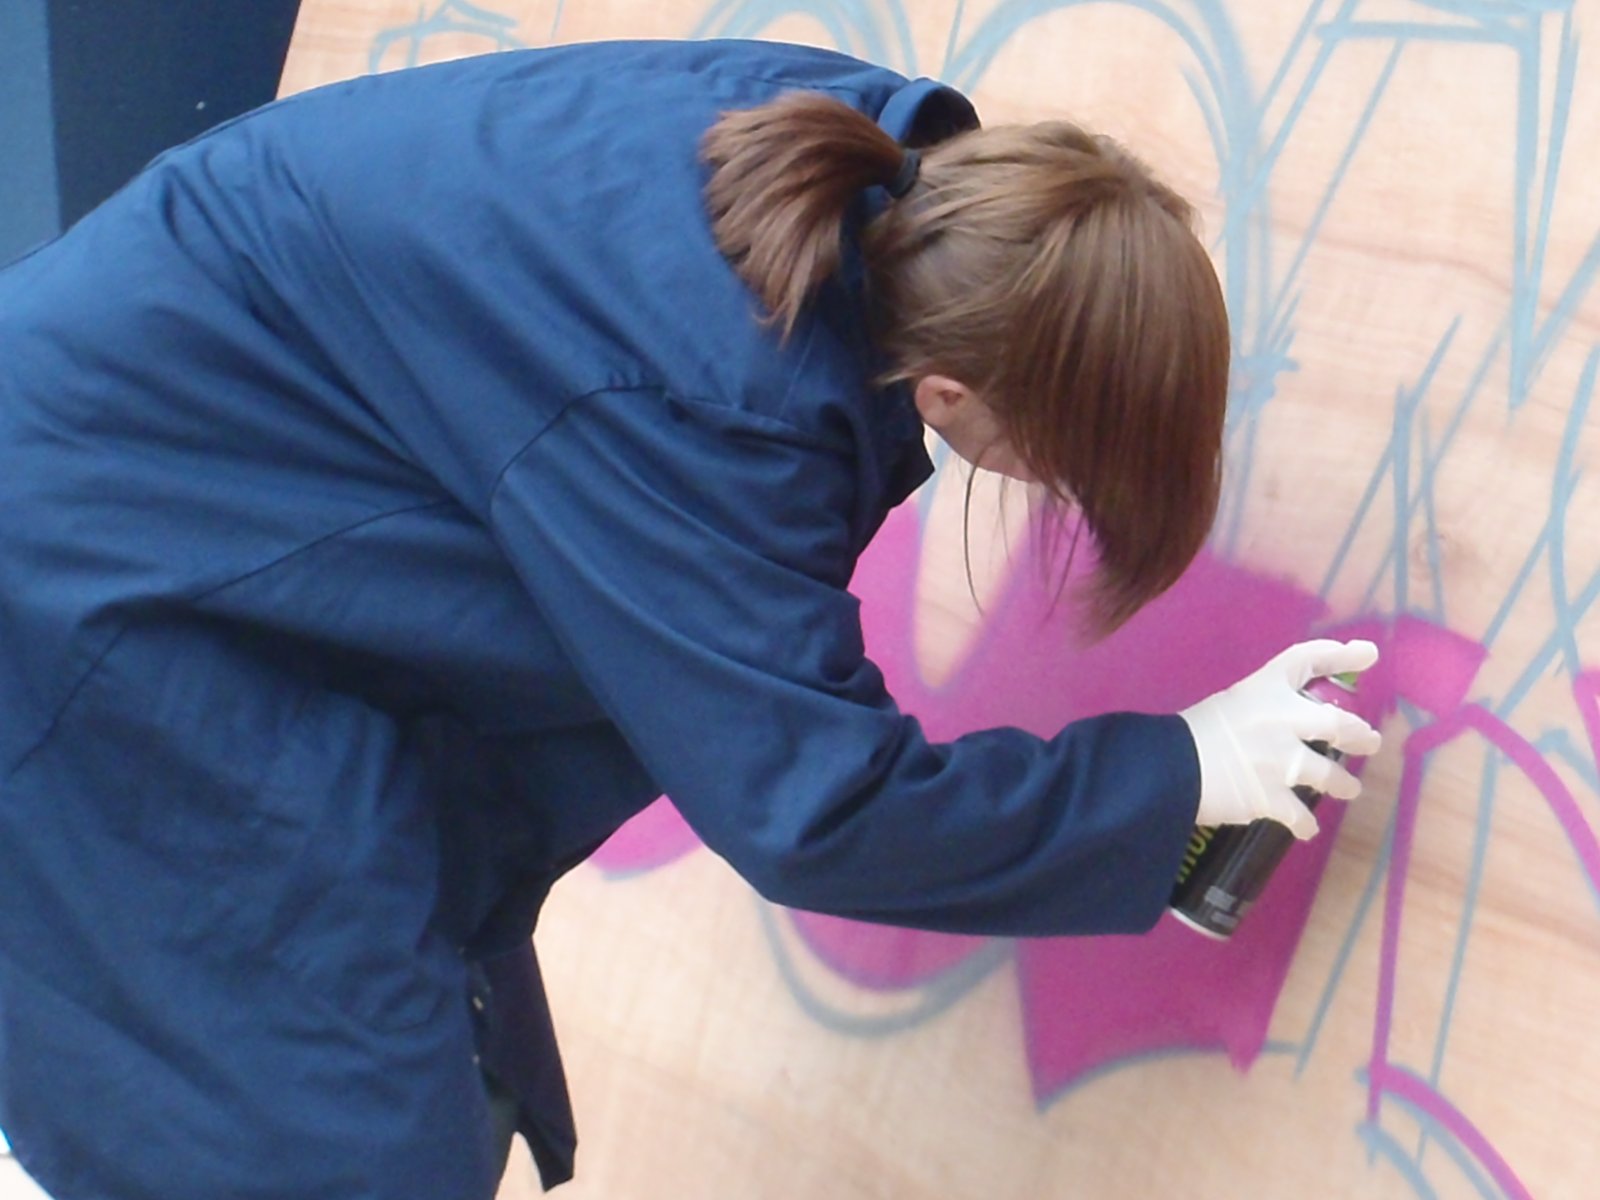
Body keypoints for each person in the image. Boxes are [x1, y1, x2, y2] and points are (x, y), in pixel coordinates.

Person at [0, 36, 1381, 1200]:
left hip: (172, 513)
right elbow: (818, 808)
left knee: (400, 1057)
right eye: (1069, 465)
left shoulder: (883, 184)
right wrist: (1179, 777)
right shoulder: (716, 393)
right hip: (88, 603)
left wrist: (1142, 833)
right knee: (333, 1134)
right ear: (954, 402)